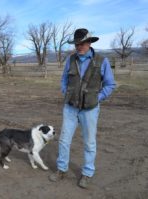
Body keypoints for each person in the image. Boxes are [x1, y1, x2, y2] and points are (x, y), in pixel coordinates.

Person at [49, 28, 116, 188]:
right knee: (64, 140)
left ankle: (87, 173)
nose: (79, 46)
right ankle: (61, 169)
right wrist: (66, 91)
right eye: (77, 44)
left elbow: (110, 84)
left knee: (89, 143)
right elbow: (64, 79)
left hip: (90, 109)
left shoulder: (101, 61)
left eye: (82, 43)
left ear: (89, 42)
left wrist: (97, 98)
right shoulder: (71, 60)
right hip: (70, 107)